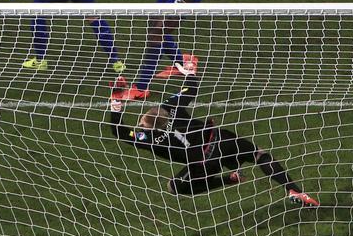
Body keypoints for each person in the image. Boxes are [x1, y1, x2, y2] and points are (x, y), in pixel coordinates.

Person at [108, 72, 319, 205]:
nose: (140, 125)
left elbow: (119, 131)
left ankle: (229, 179)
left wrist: (115, 103)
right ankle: (294, 190)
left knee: (175, 186)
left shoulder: (151, 138)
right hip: (220, 138)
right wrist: (189, 71)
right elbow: (190, 89)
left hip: (204, 160)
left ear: (148, 127)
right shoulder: (169, 108)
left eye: (141, 124)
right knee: (259, 154)